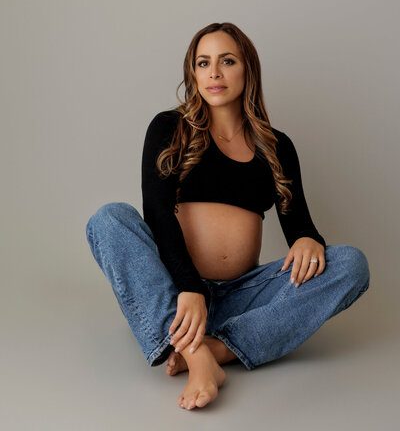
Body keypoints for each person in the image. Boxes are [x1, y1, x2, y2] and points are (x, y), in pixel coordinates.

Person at [86, 22, 370, 411]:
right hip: (177, 292)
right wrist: (189, 287)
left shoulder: (275, 146)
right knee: (109, 218)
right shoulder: (171, 128)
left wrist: (307, 238)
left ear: (247, 70)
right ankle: (194, 350)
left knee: (351, 264)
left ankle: (216, 349)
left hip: (243, 297)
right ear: (193, 74)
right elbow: (157, 215)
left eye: (227, 61)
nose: (214, 73)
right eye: (203, 63)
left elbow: (299, 224)